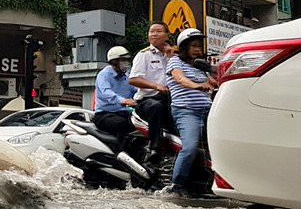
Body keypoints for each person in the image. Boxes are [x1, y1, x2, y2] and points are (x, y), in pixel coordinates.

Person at [160, 28, 217, 197]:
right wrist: (197, 85)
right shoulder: (175, 62)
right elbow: (180, 79)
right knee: (190, 147)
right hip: (187, 111)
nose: (198, 49)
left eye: (200, 46)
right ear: (184, 47)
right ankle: (177, 185)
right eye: (193, 46)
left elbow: (215, 82)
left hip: (209, 110)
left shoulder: (200, 66)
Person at [127, 22, 176, 164]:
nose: (154, 34)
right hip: (146, 101)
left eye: (158, 31)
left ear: (167, 35)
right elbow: (133, 79)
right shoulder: (144, 55)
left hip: (168, 99)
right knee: (156, 107)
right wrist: (156, 86)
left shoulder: (172, 55)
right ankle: (155, 147)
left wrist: (171, 56)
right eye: (151, 31)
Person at [92, 46, 137, 148]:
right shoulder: (104, 75)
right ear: (114, 61)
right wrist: (124, 100)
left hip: (124, 114)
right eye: (123, 60)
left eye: (127, 60)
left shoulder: (127, 76)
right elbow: (106, 92)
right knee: (122, 125)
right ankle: (121, 155)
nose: (127, 63)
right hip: (104, 115)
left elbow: (137, 90)